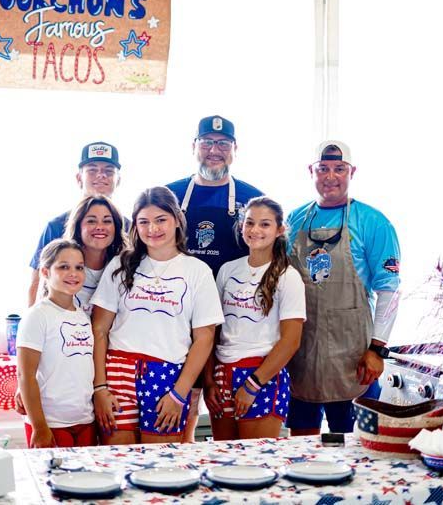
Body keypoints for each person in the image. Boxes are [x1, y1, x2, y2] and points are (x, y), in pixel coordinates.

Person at [90, 186, 224, 445]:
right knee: (118, 463)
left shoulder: (198, 271)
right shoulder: (120, 265)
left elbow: (205, 338)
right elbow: (99, 330)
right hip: (117, 374)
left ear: (176, 219)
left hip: (167, 377)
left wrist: (179, 394)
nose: (152, 229)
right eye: (144, 222)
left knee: (161, 467)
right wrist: (99, 388)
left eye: (160, 220)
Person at [285, 140, 400, 435]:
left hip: (354, 357)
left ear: (353, 172)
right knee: (301, 446)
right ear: (311, 171)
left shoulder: (374, 222)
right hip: (302, 353)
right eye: (323, 168)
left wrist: (378, 349)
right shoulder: (295, 219)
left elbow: (389, 290)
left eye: (339, 169)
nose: (330, 176)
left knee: (357, 448)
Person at [166, 114, 264, 442]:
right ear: (193, 146)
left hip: (236, 315)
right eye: (207, 142)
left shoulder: (253, 198)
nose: (214, 150)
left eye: (223, 144)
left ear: (235, 149)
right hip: (180, 314)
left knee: (225, 401)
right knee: (186, 400)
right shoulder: (170, 194)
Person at [14, 195, 127, 416]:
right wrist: (24, 382)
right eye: (91, 221)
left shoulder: (123, 267)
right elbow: (34, 332)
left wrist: (101, 386)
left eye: (107, 221)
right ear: (78, 225)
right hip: (62, 380)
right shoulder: (61, 267)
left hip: (109, 372)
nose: (100, 227)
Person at [204, 197, 304, 440]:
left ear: (280, 230)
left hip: (262, 377)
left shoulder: (287, 277)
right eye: (250, 223)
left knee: (255, 464)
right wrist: (209, 381)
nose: (255, 230)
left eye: (265, 224)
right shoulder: (228, 270)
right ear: (241, 226)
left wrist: (252, 386)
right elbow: (212, 331)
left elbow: (291, 341)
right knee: (224, 463)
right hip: (222, 374)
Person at [16, 239, 96, 448]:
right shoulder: (37, 315)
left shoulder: (84, 317)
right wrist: (40, 427)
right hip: (50, 423)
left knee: (86, 480)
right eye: (63, 267)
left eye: (79, 267)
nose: (73, 273)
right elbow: (26, 375)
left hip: (85, 420)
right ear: (45, 272)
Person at [27, 141, 124, 306]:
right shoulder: (56, 226)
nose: (101, 175)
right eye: (92, 170)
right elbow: (37, 283)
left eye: (108, 171)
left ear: (118, 180)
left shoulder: (129, 227)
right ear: (79, 178)